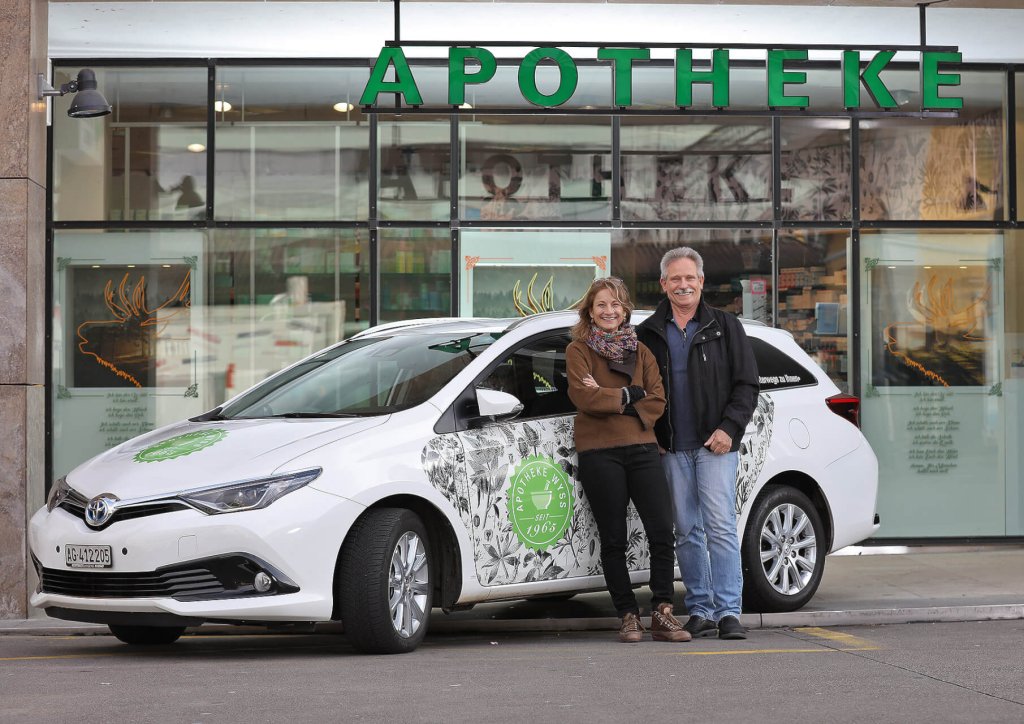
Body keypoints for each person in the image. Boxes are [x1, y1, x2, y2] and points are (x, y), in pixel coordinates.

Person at [637, 247, 759, 641]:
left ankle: (728, 612)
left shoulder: (726, 326)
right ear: (664, 284)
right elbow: (640, 391)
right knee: (687, 530)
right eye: (675, 278)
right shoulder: (649, 333)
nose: (683, 285)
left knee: (721, 527)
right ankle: (701, 610)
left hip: (715, 446)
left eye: (690, 278)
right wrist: (652, 434)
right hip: (672, 448)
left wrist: (729, 428)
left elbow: (747, 386)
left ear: (702, 281)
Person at [566, 277, 691, 644]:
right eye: (601, 304)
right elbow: (583, 398)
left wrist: (610, 396)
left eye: (616, 304)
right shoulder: (578, 350)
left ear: (625, 310)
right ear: (590, 310)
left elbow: (656, 399)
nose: (609, 311)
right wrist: (627, 395)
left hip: (642, 449)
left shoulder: (642, 351)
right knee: (614, 537)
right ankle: (627, 615)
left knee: (660, 531)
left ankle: (663, 612)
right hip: (599, 453)